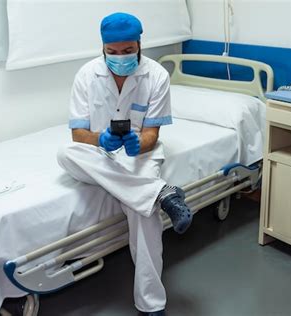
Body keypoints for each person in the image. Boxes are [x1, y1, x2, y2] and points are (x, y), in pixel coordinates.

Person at [57, 12, 192, 316]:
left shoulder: (156, 75)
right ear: (103, 48)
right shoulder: (86, 75)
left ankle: (152, 304)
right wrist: (101, 140)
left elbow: (152, 134)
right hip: (100, 154)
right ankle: (162, 193)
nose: (120, 58)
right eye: (112, 52)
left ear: (139, 45)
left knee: (141, 212)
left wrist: (137, 143)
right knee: (65, 153)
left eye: (128, 51)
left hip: (141, 155)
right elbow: (78, 135)